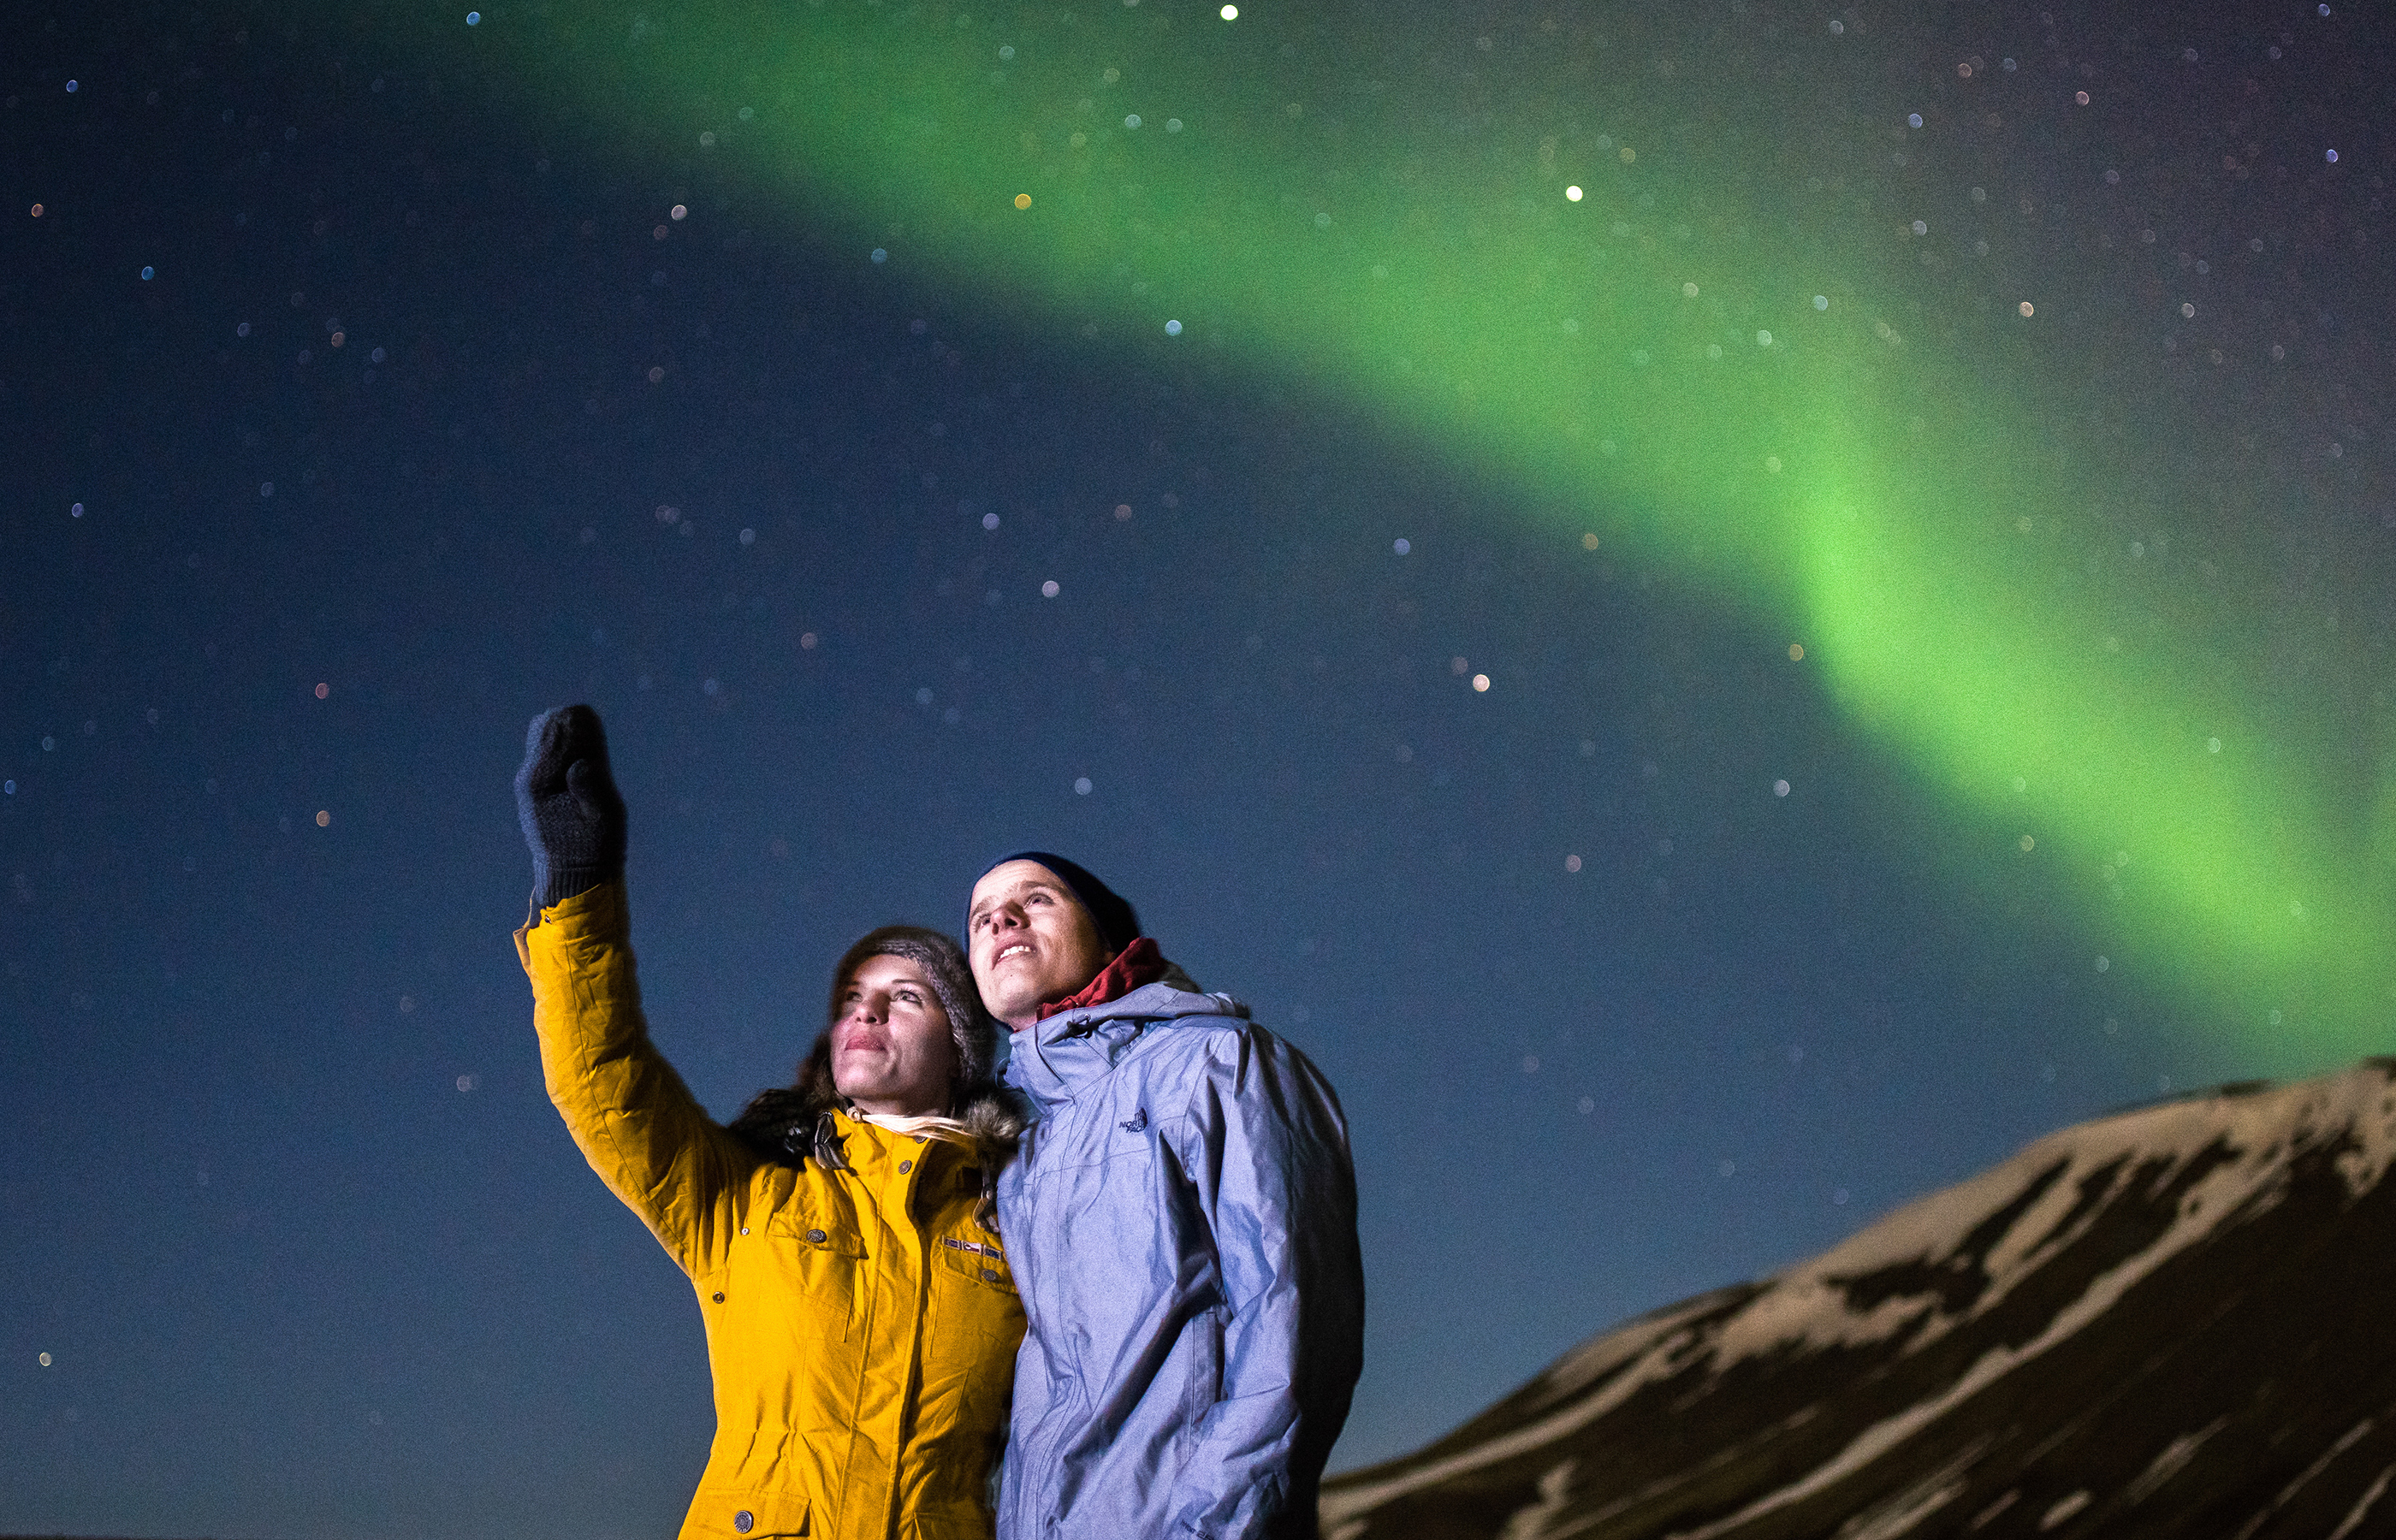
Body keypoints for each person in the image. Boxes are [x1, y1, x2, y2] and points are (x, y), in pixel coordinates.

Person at [513, 704, 1028, 1540]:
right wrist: (579, 884)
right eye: (853, 1001)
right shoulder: (749, 1196)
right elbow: (601, 1076)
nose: (866, 1014)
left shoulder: (1020, 1219)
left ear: (962, 1050)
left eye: (904, 998)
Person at [966, 853, 1365, 1540]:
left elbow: (1292, 1327)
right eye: (980, 919)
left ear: (1108, 934)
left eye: (1037, 900)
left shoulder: (1217, 1063)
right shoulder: (1020, 1153)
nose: (1002, 919)